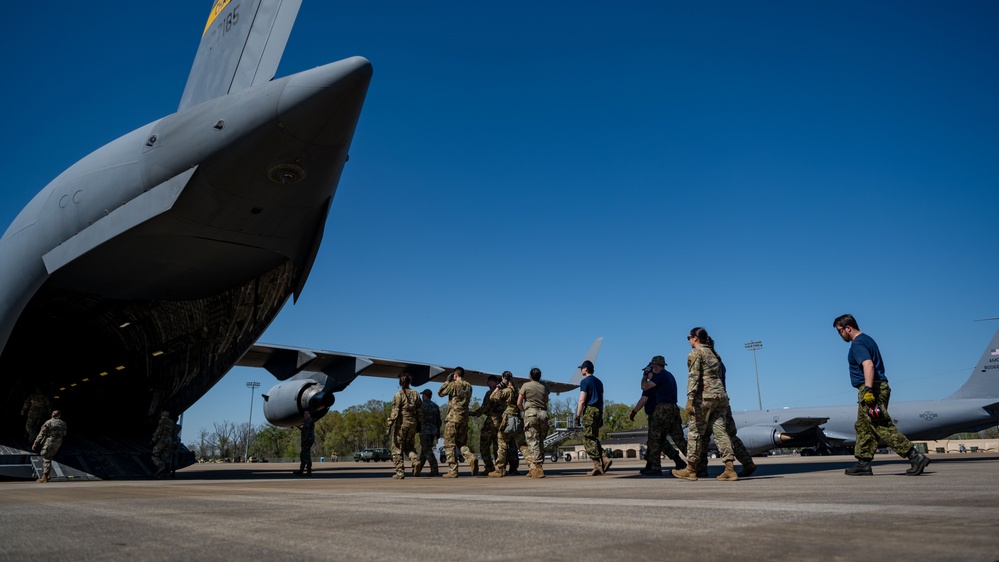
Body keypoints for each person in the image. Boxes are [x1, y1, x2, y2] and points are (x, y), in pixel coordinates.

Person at [833, 314, 930, 476]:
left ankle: (915, 456)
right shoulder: (868, 339)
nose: (839, 335)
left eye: (839, 331)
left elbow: (868, 365)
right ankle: (863, 463)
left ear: (848, 328)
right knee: (864, 428)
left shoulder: (858, 343)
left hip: (871, 388)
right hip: (875, 387)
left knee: (881, 426)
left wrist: (869, 390)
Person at [672, 327, 740, 481]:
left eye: (689, 337)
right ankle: (729, 468)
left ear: (695, 338)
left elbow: (693, 377)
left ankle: (691, 469)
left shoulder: (696, 353)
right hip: (720, 397)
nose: (689, 340)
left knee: (694, 432)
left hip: (705, 398)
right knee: (721, 432)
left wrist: (690, 399)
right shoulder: (714, 354)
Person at [695, 360, 757, 478]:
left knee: (703, 436)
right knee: (730, 435)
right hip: (723, 402)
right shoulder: (719, 362)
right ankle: (747, 462)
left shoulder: (704, 360)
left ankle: (701, 469)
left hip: (709, 402)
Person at [631, 355, 687, 476]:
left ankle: (655, 467)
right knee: (678, 438)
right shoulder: (669, 376)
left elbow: (643, 389)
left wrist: (644, 376)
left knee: (655, 439)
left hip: (662, 410)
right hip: (673, 409)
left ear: (656, 365)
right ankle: (695, 462)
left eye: (651, 367)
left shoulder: (659, 376)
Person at [437, 366, 478, 478]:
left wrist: (447, 381)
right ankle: (471, 457)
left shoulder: (453, 385)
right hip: (464, 419)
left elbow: (440, 393)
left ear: (455, 375)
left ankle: (453, 471)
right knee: (462, 444)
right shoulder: (469, 386)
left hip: (453, 419)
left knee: (449, 445)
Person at [489, 371, 531, 478]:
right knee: (522, 445)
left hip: (507, 420)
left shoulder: (506, 391)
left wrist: (499, 386)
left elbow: (492, 397)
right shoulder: (517, 390)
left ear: (503, 378)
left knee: (502, 445)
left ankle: (500, 469)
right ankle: (534, 466)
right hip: (518, 420)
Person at [575, 360, 612, 476]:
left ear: (586, 369)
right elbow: (602, 398)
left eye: (582, 368)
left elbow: (582, 400)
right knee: (593, 437)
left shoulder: (585, 382)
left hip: (590, 410)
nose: (581, 370)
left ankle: (598, 464)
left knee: (587, 438)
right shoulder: (599, 382)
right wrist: (601, 415)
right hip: (598, 409)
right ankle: (603, 459)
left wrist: (577, 416)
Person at [387, 373, 422, 479]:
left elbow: (395, 412)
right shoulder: (416, 394)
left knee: (397, 448)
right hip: (412, 424)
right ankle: (415, 460)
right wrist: (419, 424)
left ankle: (400, 472)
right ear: (409, 382)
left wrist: (389, 424)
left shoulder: (399, 394)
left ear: (400, 383)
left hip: (401, 425)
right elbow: (420, 411)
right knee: (409, 446)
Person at [518, 367, 551, 478]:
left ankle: (537, 467)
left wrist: (524, 411)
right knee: (541, 440)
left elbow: (519, 402)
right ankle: (536, 467)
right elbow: (546, 400)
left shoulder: (526, 385)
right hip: (543, 413)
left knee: (533, 441)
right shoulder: (545, 386)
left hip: (531, 413)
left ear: (530, 376)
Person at [471, 375, 504, 476]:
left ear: (494, 382)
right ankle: (500, 467)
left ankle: (489, 467)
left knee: (484, 445)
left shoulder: (491, 393)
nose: (487, 384)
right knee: (498, 446)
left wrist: (475, 413)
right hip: (503, 421)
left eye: (489, 382)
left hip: (492, 421)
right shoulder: (504, 392)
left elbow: (485, 407)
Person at [32, 410, 67, 483]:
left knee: (46, 457)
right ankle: (47, 475)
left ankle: (44, 477)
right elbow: (64, 433)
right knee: (49, 456)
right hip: (58, 442)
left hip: (50, 440)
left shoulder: (49, 422)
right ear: (59, 415)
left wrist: (35, 443)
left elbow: (41, 434)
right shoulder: (63, 423)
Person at [417, 389, 442, 476]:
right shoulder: (435, 406)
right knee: (424, 452)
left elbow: (417, 419)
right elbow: (439, 421)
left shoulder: (421, 406)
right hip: (432, 432)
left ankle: (434, 469)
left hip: (424, 432)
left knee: (427, 451)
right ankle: (417, 469)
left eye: (422, 395)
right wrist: (438, 432)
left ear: (425, 395)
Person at [151, 410, 176, 478]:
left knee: (154, 456)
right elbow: (174, 433)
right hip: (169, 441)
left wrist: (153, 440)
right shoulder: (172, 422)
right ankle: (164, 474)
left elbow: (158, 431)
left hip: (162, 441)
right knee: (164, 457)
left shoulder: (162, 421)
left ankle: (161, 466)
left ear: (163, 416)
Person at [295, 410, 315, 476]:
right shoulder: (308, 421)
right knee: (303, 455)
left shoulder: (309, 421)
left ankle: (308, 471)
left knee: (306, 455)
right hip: (306, 441)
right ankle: (301, 470)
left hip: (307, 441)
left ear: (309, 414)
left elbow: (307, 432)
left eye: (307, 413)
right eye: (305, 414)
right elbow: (304, 430)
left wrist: (305, 441)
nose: (305, 415)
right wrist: (298, 427)